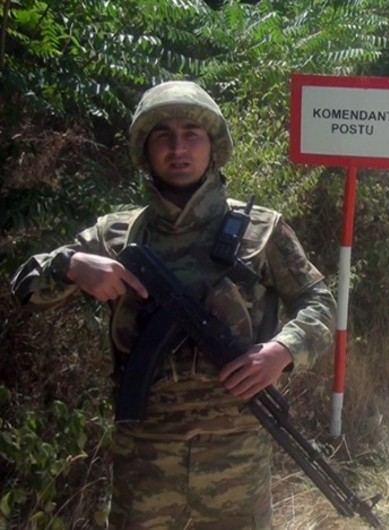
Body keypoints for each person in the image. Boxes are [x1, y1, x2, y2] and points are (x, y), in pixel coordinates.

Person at [11, 81, 336, 529]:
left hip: (235, 457)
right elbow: (24, 286)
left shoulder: (261, 231)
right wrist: (70, 265)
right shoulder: (116, 236)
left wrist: (283, 352)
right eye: (163, 135)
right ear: (146, 149)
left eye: (191, 134)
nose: (178, 147)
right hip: (145, 456)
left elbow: (321, 302)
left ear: (213, 147)